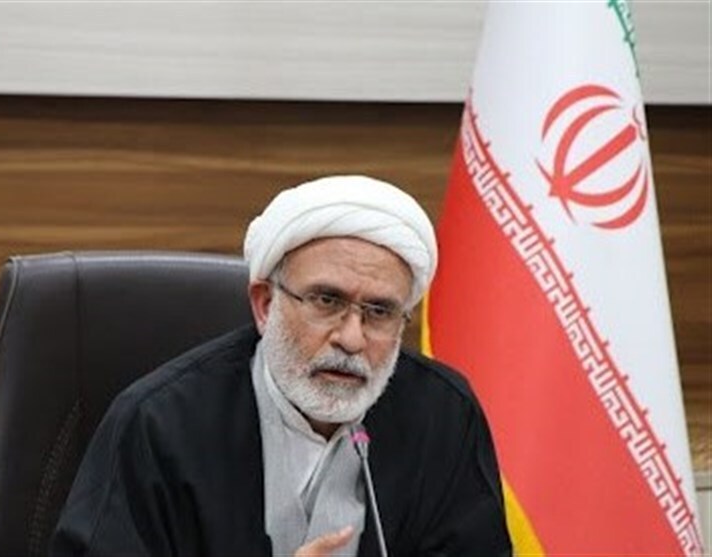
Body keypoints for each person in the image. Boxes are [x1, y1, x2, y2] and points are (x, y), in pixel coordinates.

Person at [50, 175, 512, 556]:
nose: (352, 339)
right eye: (327, 301)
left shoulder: (444, 416)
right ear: (265, 304)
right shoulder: (161, 423)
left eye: (379, 311)